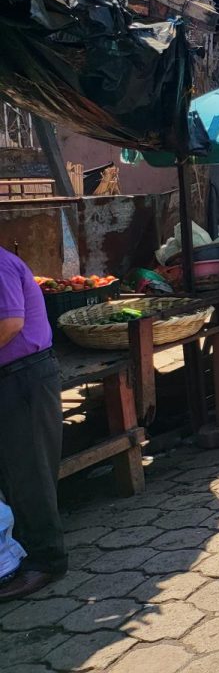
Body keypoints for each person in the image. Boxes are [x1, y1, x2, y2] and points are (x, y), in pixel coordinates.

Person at [0, 246, 62, 600]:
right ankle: (24, 553)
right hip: (13, 376)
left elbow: (10, 323)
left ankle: (47, 561)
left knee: (30, 473)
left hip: (24, 376)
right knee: (14, 471)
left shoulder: (0, 265)